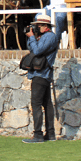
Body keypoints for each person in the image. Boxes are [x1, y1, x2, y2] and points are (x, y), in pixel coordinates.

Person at [22, 14, 58, 143]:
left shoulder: (50, 37)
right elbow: (32, 49)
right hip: (40, 74)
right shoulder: (42, 37)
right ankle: (50, 134)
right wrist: (33, 37)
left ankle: (38, 135)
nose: (36, 28)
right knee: (47, 104)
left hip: (41, 74)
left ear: (45, 26)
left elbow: (37, 52)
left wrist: (32, 37)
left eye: (38, 26)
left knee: (36, 104)